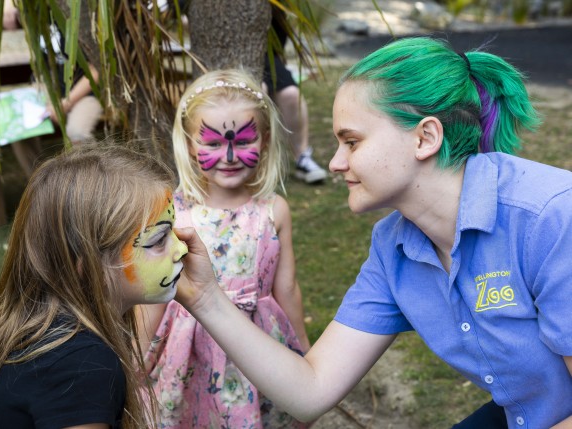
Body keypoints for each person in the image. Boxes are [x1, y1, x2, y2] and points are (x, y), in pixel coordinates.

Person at [171, 37, 572, 429]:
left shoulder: (550, 219)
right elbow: (311, 390)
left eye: (351, 141)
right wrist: (206, 298)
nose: (334, 162)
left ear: (425, 137)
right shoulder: (393, 246)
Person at [135, 69, 311, 428]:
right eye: (212, 143)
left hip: (257, 342)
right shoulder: (173, 211)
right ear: (188, 145)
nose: (229, 155)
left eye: (243, 141)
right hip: (187, 346)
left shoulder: (273, 210)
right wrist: (133, 356)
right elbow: (152, 288)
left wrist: (305, 354)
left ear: (263, 140)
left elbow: (287, 287)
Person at [0, 142, 189, 429]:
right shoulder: (82, 364)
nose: (182, 248)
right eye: (158, 240)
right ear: (87, 267)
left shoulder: (48, 331)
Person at [3, 0, 103, 178]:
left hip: (87, 91)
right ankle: (41, 182)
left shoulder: (80, 13)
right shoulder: (36, 13)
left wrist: (65, 104)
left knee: (77, 131)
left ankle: (93, 186)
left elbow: (96, 70)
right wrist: (10, 8)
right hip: (53, 88)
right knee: (17, 126)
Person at [263, 8, 327, 185]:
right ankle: (255, 159)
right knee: (258, 92)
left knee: (291, 95)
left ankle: (302, 158)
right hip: (230, 56)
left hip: (267, 56)